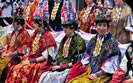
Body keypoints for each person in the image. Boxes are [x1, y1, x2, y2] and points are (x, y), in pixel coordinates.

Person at [66, 6, 121, 83]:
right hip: (90, 69)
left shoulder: (112, 42)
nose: (101, 28)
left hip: (104, 73)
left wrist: (98, 74)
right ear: (96, 26)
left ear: (108, 27)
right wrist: (82, 66)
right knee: (73, 81)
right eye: (99, 25)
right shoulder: (93, 40)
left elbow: (112, 63)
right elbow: (87, 57)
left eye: (104, 25)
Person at [5, 17, 57, 83]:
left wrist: (31, 61)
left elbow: (46, 57)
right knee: (14, 68)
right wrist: (24, 57)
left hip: (40, 61)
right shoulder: (35, 34)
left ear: (40, 25)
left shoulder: (48, 37)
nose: (33, 25)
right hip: (31, 58)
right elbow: (28, 50)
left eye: (35, 23)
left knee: (22, 69)